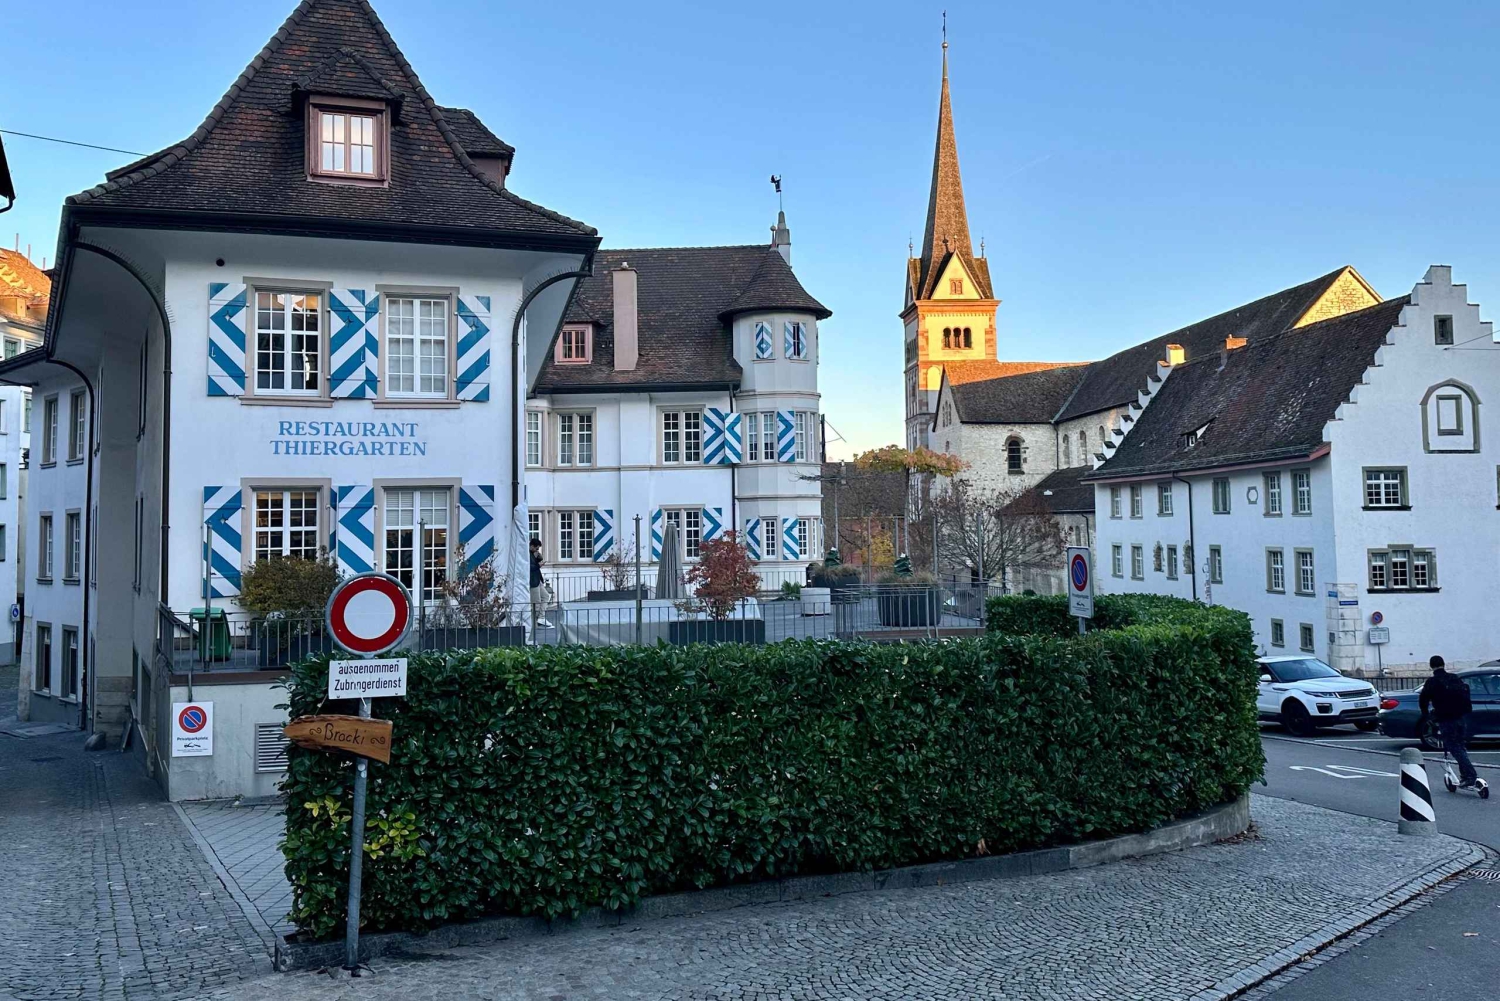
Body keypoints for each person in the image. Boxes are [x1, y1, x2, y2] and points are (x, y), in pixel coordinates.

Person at [1420, 655, 1478, 788]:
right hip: (1460, 718)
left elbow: (1423, 699)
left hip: (1446, 719)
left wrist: (1426, 715)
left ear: (1431, 666)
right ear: (1443, 664)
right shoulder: (1454, 678)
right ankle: (1464, 776)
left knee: (1453, 746)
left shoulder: (1432, 682)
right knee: (1460, 746)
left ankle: (1471, 775)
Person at [529, 538, 552, 631]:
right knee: (536, 602)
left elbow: (538, 560)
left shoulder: (533, 554)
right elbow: (528, 567)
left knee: (546, 596)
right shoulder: (526, 554)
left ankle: (541, 618)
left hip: (538, 579)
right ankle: (534, 624)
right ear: (532, 546)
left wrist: (538, 556)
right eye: (536, 548)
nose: (537, 550)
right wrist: (539, 565)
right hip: (532, 580)